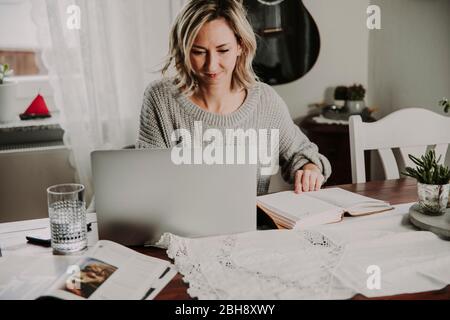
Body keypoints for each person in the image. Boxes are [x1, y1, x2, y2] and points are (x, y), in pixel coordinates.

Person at [136, 0, 331, 196]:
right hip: (178, 225)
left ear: (240, 46)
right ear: (183, 49)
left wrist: (309, 168)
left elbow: (302, 153)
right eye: (198, 52)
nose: (211, 66)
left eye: (223, 50)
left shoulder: (266, 101)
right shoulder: (160, 98)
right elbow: (146, 177)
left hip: (252, 224)